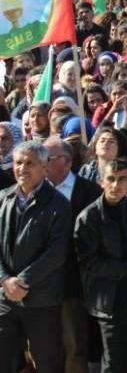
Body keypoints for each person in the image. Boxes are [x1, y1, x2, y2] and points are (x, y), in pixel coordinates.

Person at [75, 158, 127, 373]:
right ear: (101, 181)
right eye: (111, 179)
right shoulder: (88, 218)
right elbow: (89, 262)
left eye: (122, 179)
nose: (116, 185)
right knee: (115, 362)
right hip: (110, 301)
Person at [0, 141, 73, 373]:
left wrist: (22, 282)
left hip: (41, 300)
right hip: (5, 298)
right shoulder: (3, 198)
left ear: (45, 167)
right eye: (18, 163)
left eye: (29, 163)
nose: (22, 168)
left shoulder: (59, 204)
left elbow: (56, 253)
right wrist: (5, 280)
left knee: (47, 363)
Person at [43, 137, 102, 373]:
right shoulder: (35, 191)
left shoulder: (90, 192)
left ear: (67, 162)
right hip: (39, 283)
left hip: (73, 283)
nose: (42, 163)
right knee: (44, 346)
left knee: (75, 346)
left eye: (47, 158)